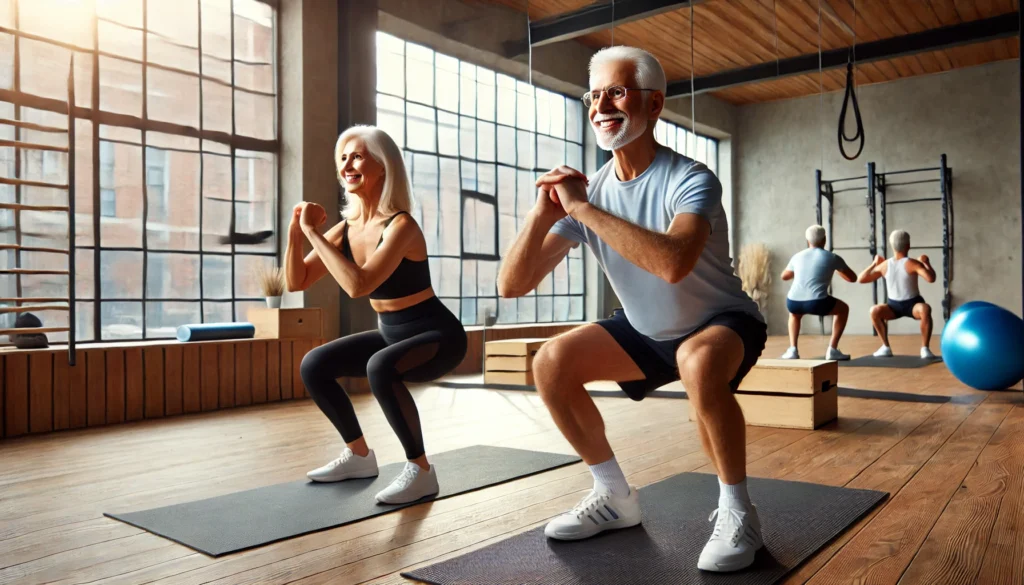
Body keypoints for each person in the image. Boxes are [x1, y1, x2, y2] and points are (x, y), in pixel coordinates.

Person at [497, 46, 767, 573]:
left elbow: (672, 264)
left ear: (653, 104)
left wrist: (582, 209)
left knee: (699, 362)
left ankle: (739, 514)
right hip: (645, 331)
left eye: (616, 92)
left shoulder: (692, 178)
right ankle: (615, 497)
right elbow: (513, 284)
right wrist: (540, 213)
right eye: (594, 95)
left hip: (721, 322)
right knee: (550, 362)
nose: (601, 105)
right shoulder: (590, 193)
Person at [286, 125, 468, 505]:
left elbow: (359, 285)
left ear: (383, 167)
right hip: (392, 332)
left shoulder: (401, 225)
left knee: (380, 367)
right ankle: (359, 456)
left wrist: (313, 233)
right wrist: (295, 231)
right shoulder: (347, 229)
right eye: (342, 158)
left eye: (357, 156)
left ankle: (421, 472)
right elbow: (297, 281)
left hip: (437, 335)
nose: (347, 165)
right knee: (314, 364)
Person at [779, 225, 858, 360]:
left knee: (794, 315)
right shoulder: (832, 257)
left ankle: (793, 350)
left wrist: (800, 272)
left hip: (793, 302)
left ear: (807, 240)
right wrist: (836, 269)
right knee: (843, 309)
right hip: (817, 303)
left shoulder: (797, 256)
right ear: (824, 239)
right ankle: (832, 350)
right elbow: (853, 278)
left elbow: (784, 276)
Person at [857, 229, 937, 359]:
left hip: (913, 305)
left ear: (892, 246)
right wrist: (926, 263)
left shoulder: (910, 263)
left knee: (924, 309)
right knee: (874, 310)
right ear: (908, 245)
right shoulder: (886, 265)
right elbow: (861, 279)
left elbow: (930, 279)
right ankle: (885, 347)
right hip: (893, 307)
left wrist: (873, 264)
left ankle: (925, 349)